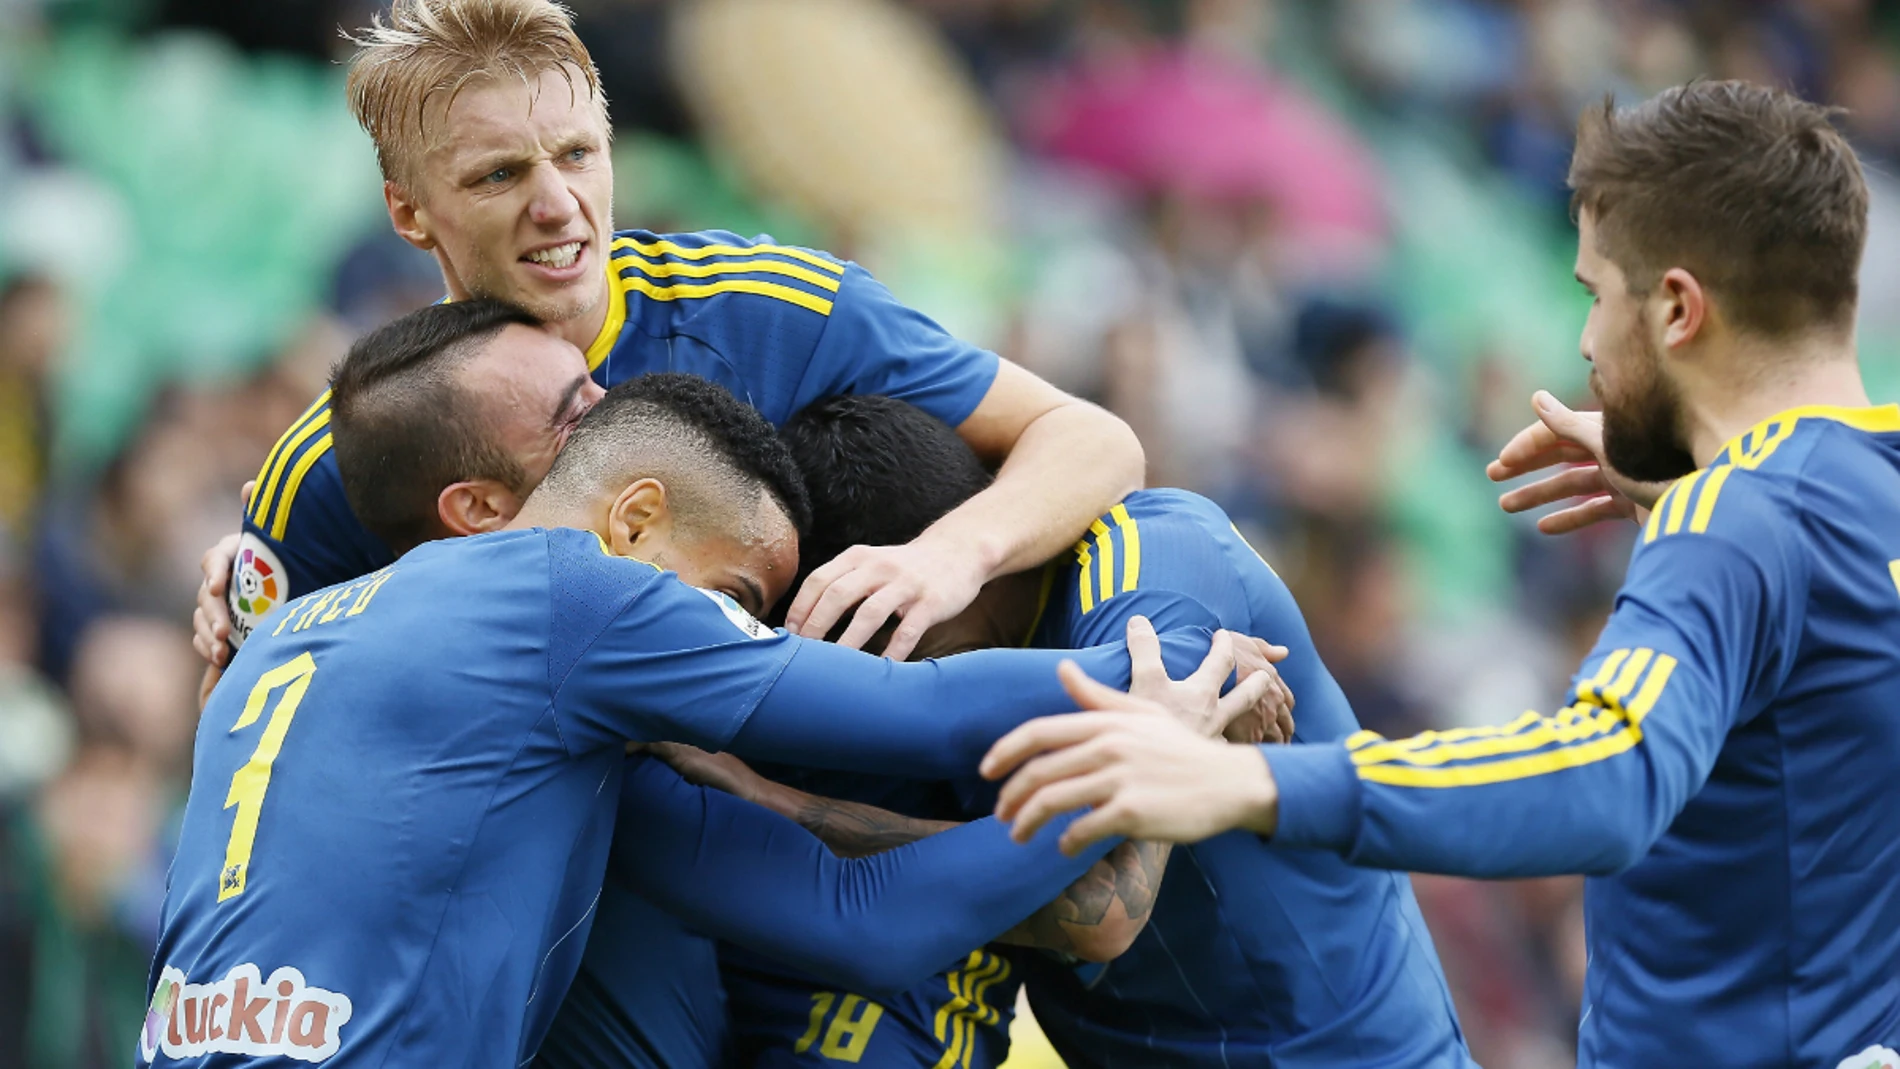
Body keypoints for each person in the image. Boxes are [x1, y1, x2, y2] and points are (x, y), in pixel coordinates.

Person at [982, 81, 1900, 1068]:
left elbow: (1606, 774)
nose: (1587, 344)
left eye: (1597, 296)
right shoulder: (1855, 488)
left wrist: (1243, 779)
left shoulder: (1735, 521)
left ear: (1676, 308)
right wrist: (1697, 474)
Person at [142, 301, 1268, 1068]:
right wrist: (1156, 687)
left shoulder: (291, 643)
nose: (740, 631)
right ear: (630, 515)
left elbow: (856, 919)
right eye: (735, 595)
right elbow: (922, 713)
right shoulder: (564, 594)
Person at [193, 0, 1141, 665]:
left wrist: (947, 555)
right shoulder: (339, 462)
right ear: (408, 214)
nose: (558, 206)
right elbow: (241, 720)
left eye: (576, 155)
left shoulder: (771, 309)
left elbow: (1092, 438)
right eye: (498, 177)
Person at [665, 394, 1472, 1069]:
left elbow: (1099, 908)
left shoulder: (1157, 572)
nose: (878, 678)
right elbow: (984, 890)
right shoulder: (919, 708)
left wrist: (770, 805)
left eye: (885, 635)